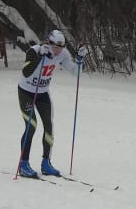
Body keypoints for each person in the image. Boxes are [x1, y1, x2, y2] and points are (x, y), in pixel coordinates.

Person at [16, 29, 89, 178]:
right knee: (31, 125)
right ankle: (23, 164)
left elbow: (77, 73)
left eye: (60, 48)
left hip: (42, 93)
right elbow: (26, 72)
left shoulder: (62, 54)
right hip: (26, 92)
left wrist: (80, 59)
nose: (58, 51)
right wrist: (40, 56)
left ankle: (46, 163)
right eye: (55, 47)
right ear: (48, 42)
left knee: (49, 125)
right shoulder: (34, 51)